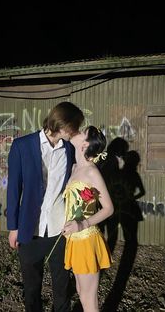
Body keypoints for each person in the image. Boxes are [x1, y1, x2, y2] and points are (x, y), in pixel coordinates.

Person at [6, 101, 84, 312]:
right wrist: (13, 227)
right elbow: (13, 189)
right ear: (64, 125)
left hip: (60, 230)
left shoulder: (69, 149)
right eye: (75, 127)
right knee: (31, 289)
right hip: (30, 229)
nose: (76, 132)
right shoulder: (21, 146)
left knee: (61, 288)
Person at [62, 126, 114, 312]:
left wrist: (82, 223)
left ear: (84, 144)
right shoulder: (75, 167)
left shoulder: (92, 172)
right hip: (74, 241)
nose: (76, 130)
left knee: (88, 299)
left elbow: (108, 208)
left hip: (86, 239)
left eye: (81, 131)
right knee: (79, 290)